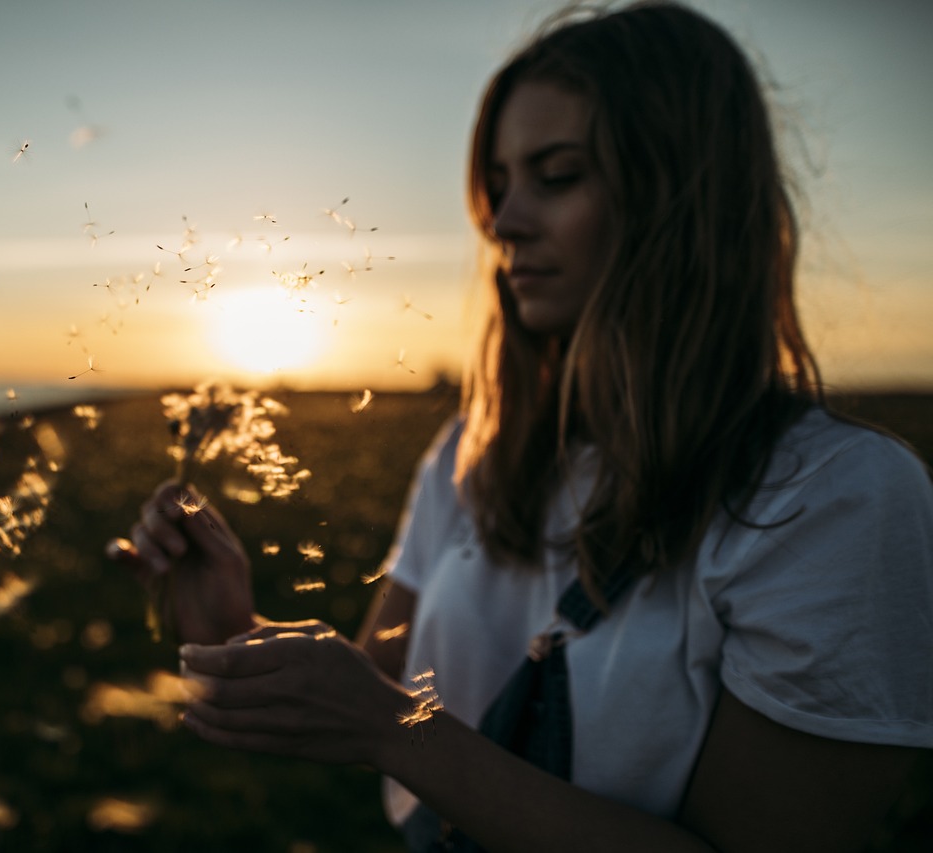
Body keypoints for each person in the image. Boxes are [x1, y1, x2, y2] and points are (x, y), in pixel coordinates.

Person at [108, 2, 933, 850]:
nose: (502, 223)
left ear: (683, 196)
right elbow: (374, 686)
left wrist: (399, 731)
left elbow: (392, 721)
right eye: (499, 186)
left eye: (559, 175)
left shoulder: (832, 500)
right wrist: (235, 635)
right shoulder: (475, 457)